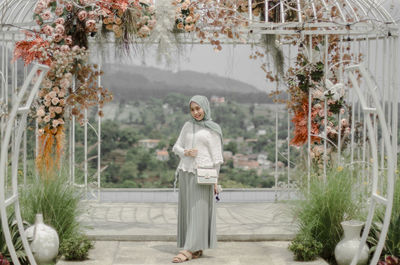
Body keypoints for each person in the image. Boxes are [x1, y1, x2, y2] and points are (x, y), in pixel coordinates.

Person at [171, 95, 223, 263]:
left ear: (205, 108)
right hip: (186, 172)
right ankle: (196, 248)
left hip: (203, 174)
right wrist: (185, 152)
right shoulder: (187, 126)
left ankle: (187, 249)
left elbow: (217, 158)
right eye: (192, 109)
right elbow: (176, 147)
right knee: (188, 211)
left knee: (198, 211)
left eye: (198, 108)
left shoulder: (213, 129)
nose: (196, 112)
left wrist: (216, 181)